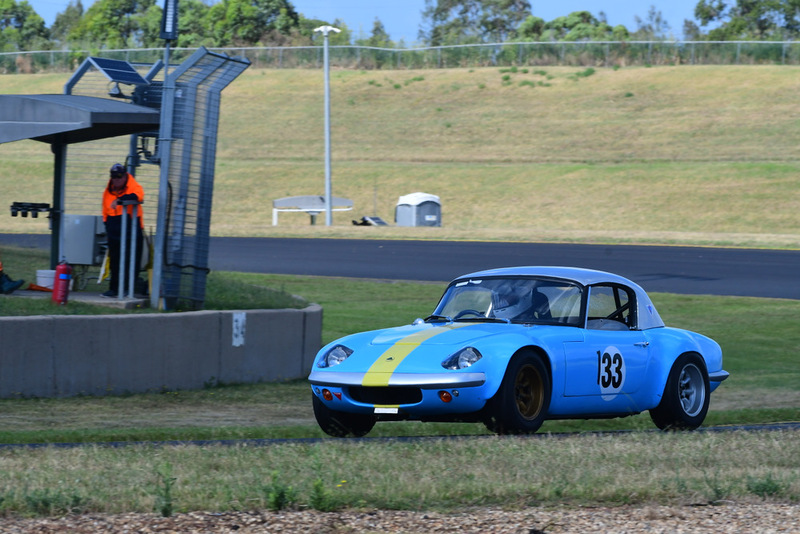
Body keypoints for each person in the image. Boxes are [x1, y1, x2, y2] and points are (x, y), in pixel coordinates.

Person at [102, 163, 144, 297]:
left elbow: (138, 196)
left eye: (119, 177)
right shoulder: (108, 191)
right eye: (114, 177)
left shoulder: (133, 185)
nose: (116, 179)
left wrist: (120, 200)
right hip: (114, 229)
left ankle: (129, 288)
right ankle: (114, 289)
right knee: (115, 261)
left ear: (125, 176)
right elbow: (105, 213)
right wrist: (108, 229)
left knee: (131, 260)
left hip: (132, 228)